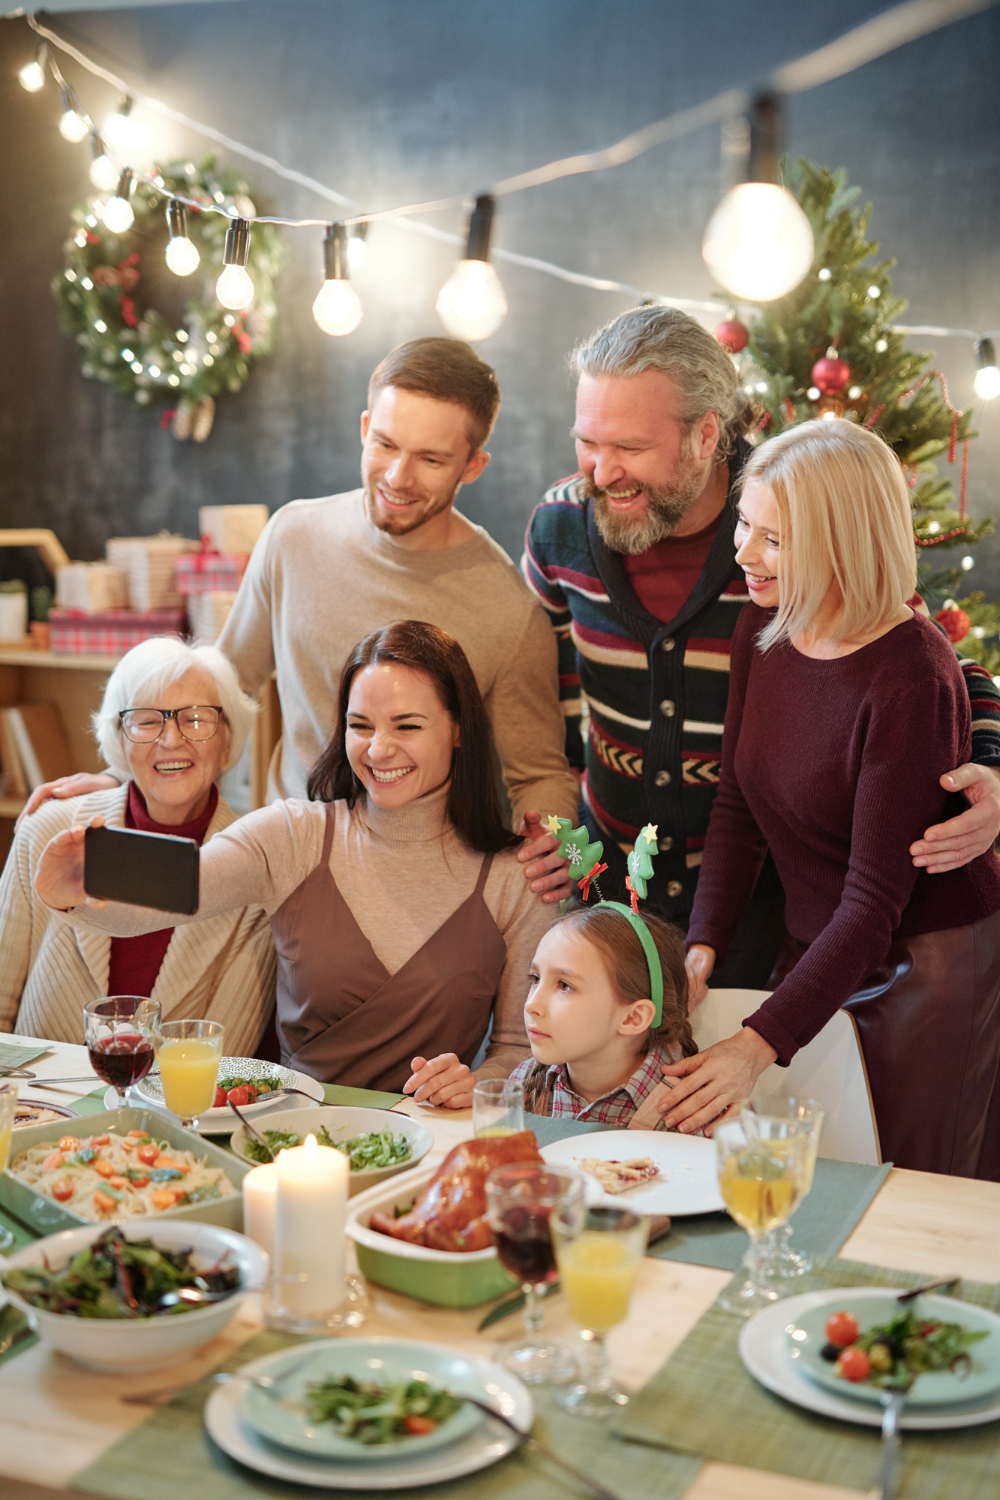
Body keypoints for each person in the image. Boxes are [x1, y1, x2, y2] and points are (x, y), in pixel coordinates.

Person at [523, 305, 1000, 984]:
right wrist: (545, 804)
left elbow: (928, 664)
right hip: (605, 883)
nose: (602, 472)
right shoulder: (559, 527)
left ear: (704, 433)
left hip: (762, 907)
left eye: (628, 447)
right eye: (588, 442)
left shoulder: (790, 513)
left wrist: (992, 767)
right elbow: (527, 688)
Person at [22, 338, 578, 906]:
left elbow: (539, 774)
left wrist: (565, 847)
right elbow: (222, 686)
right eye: (385, 444)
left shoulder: (507, 609)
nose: (398, 475)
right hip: (286, 867)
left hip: (428, 893)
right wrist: (125, 774)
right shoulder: (293, 538)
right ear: (365, 428)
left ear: (474, 465)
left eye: (431, 459)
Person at [661, 420, 1000, 1179]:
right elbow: (736, 807)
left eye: (773, 539)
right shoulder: (764, 622)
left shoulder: (911, 674)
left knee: (902, 1192)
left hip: (924, 970)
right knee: (813, 1175)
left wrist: (756, 1042)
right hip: (823, 950)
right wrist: (703, 941)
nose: (743, 552)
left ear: (844, 543)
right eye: (746, 523)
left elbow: (875, 900)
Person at [33, 622, 553, 1103]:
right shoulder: (294, 834)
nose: (379, 749)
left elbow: (520, 1052)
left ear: (459, 729)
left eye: (408, 726)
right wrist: (78, 889)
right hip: (292, 1136)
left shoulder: (517, 876)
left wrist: (478, 1083)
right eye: (360, 725)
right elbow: (177, 890)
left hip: (434, 1145)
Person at [0, 637, 275, 1051]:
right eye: (146, 720)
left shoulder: (255, 874)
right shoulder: (48, 830)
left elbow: (223, 1062)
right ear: (121, 741)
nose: (171, 740)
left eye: (196, 719)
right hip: (36, 1109)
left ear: (228, 741)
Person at [510, 904, 695, 1129]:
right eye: (535, 978)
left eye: (565, 986)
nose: (531, 1005)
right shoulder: (522, 1083)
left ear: (633, 1018)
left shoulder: (690, 1111)